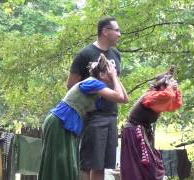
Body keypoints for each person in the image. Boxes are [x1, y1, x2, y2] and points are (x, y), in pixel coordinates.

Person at [38, 54, 128, 180]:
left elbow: (124, 99)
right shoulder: (92, 83)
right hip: (60, 121)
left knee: (68, 163)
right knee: (59, 163)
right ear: (102, 75)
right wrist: (113, 77)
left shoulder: (97, 86)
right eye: (111, 72)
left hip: (65, 123)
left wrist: (115, 77)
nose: (113, 75)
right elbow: (119, 97)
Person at [66, 16, 122, 180]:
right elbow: (71, 85)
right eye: (116, 30)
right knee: (88, 164)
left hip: (111, 114)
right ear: (105, 31)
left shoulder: (116, 55)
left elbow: (116, 83)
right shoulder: (85, 54)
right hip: (93, 116)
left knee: (102, 166)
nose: (119, 34)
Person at [120, 70, 183, 180]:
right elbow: (167, 95)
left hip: (141, 132)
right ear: (163, 86)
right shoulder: (150, 96)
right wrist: (170, 88)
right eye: (168, 85)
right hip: (133, 133)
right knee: (137, 168)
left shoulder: (161, 96)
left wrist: (175, 89)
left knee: (149, 167)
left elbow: (175, 105)